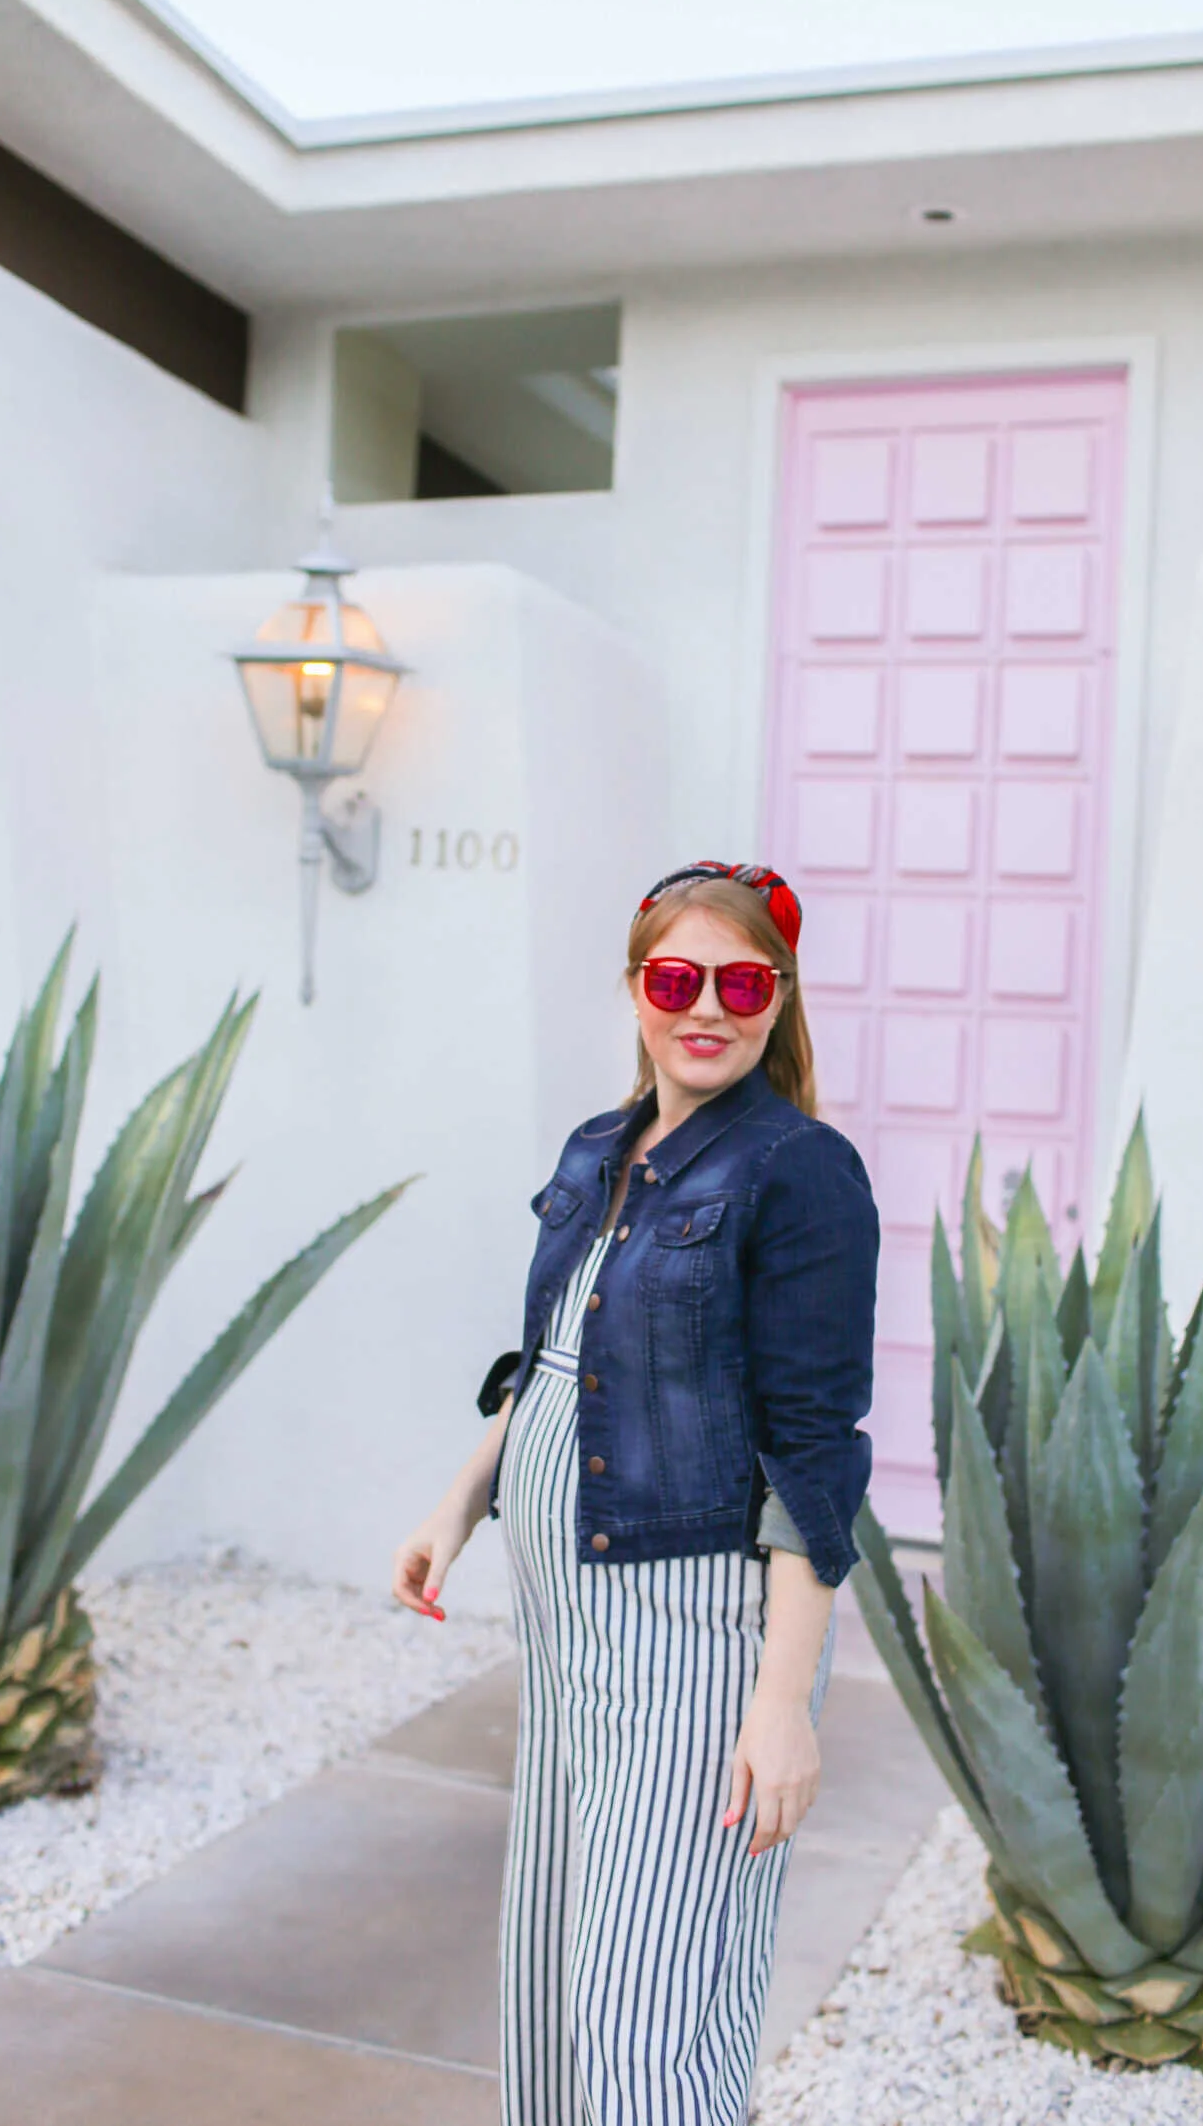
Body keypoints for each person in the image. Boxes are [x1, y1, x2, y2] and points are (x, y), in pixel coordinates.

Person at [393, 861, 880, 2126]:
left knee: (647, 2008)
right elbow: (555, 1354)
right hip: (569, 1634)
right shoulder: (606, 1149)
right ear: (635, 990)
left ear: (779, 998)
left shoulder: (800, 1170)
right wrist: (459, 1507)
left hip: (693, 1640)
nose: (704, 1006)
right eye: (675, 979)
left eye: (738, 981)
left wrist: (782, 1708)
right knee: (556, 1984)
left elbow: (815, 1452)